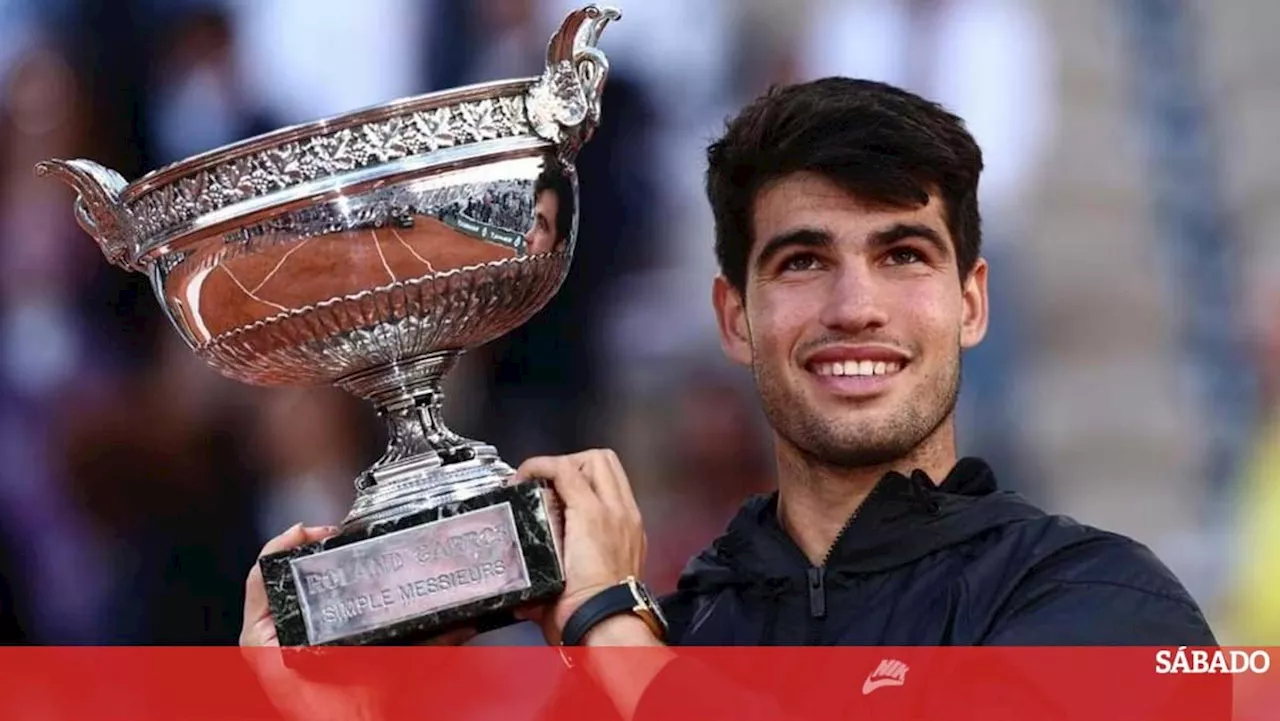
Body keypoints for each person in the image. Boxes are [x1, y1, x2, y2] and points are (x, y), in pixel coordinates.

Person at [240, 77, 1221, 718]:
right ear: (733, 316)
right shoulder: (659, 645)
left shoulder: (1105, 602)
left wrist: (608, 628)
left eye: (901, 254)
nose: (853, 305)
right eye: (801, 261)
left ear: (970, 302)